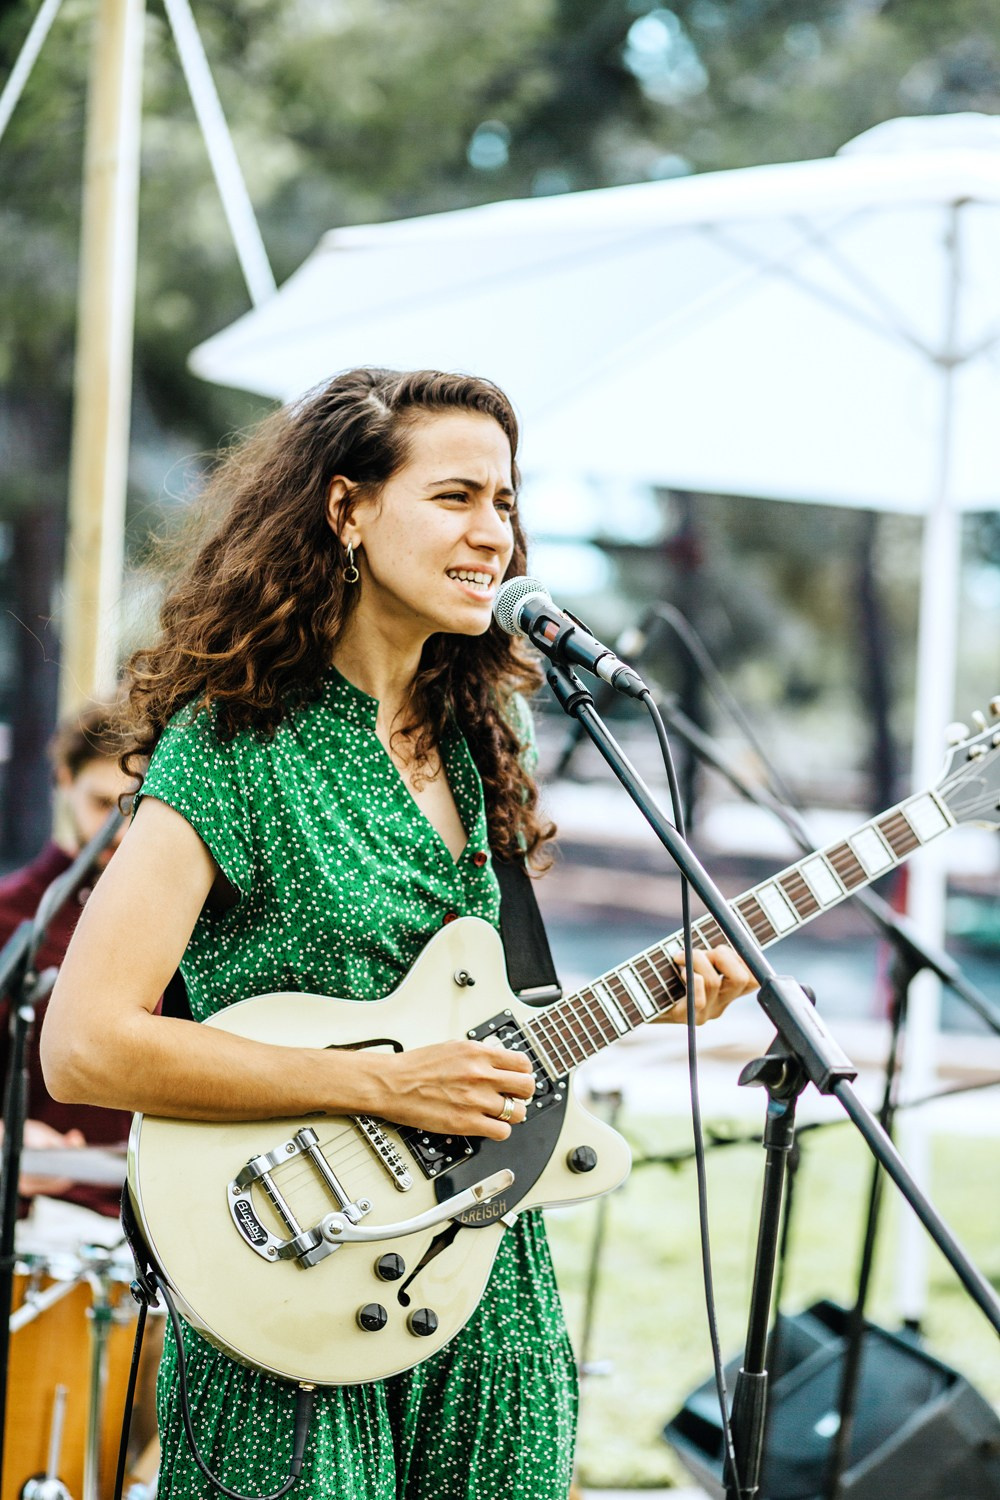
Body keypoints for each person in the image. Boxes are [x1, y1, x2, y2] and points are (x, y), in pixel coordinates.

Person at [41, 368, 755, 1500]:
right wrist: (381, 1088)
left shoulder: (483, 737)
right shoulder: (233, 748)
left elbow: (482, 1030)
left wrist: (655, 995)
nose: (494, 536)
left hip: (480, 1274)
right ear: (346, 510)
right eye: (457, 497)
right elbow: (85, 1046)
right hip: (290, 1267)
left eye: (508, 503)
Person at [0, 700, 133, 1237]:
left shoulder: (194, 926)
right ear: (63, 780)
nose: (121, 831)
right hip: (43, 1231)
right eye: (103, 804)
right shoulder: (11, 917)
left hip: (165, 1227)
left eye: (137, 807)